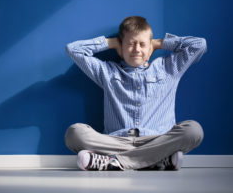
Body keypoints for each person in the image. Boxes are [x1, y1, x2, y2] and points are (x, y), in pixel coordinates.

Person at [64, 16, 207, 171]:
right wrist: (111, 42)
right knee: (74, 133)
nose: (137, 49)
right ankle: (155, 161)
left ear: (150, 47)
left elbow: (199, 45)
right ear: (121, 47)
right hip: (116, 142)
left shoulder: (168, 68)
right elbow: (73, 49)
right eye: (130, 44)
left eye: (142, 44)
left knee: (194, 130)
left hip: (157, 140)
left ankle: (113, 163)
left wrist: (159, 43)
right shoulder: (107, 72)